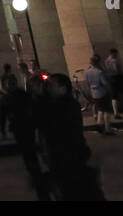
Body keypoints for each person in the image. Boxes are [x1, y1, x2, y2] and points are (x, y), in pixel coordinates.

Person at [35, 72, 103, 200]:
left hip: (72, 157)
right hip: (61, 158)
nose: (48, 88)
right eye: (47, 85)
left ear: (63, 88)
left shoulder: (67, 106)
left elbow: (58, 129)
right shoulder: (51, 104)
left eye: (51, 85)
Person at [0, 73, 48, 200]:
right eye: (9, 83)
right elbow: (2, 115)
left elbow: (32, 109)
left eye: (12, 83)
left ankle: (36, 173)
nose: (11, 85)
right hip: (19, 128)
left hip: (27, 126)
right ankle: (35, 172)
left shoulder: (21, 95)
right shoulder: (7, 98)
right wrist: (3, 128)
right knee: (27, 151)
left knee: (29, 150)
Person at [84, 55, 114, 135]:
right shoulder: (99, 72)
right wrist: (109, 89)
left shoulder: (87, 72)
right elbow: (104, 83)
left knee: (100, 109)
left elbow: (87, 83)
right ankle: (108, 129)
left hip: (94, 93)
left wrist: (89, 91)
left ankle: (99, 124)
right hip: (102, 92)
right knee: (106, 111)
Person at [103, 48, 123, 117]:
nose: (117, 55)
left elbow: (107, 70)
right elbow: (116, 70)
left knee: (114, 96)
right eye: (116, 54)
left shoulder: (106, 61)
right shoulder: (114, 61)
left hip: (111, 79)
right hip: (118, 78)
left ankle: (116, 113)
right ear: (114, 53)